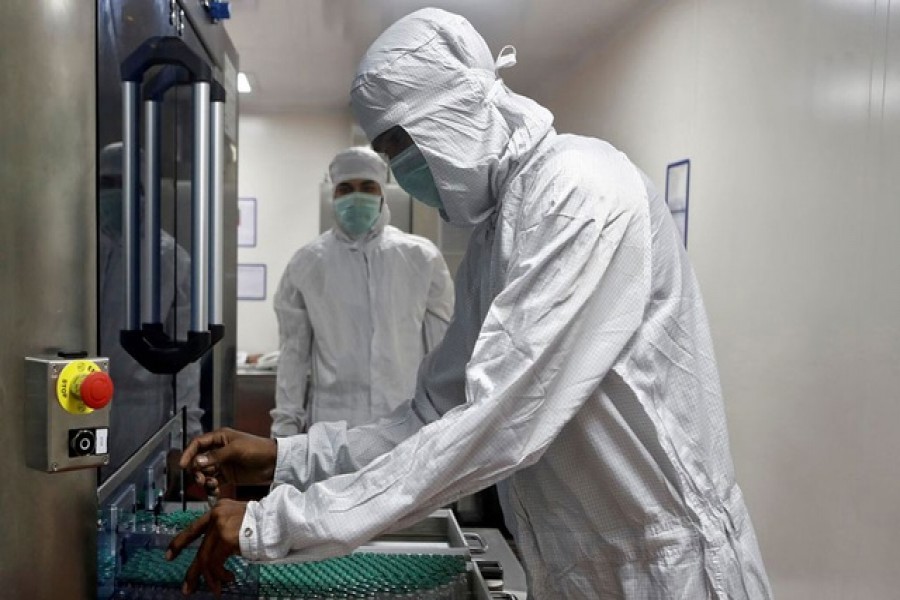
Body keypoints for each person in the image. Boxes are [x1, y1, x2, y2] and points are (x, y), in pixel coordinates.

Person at [168, 9, 772, 599]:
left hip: (668, 573)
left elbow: (497, 423)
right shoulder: (495, 235)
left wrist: (272, 522)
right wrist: (284, 458)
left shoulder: (579, 194)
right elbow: (432, 416)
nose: (399, 171)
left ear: (452, 110)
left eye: (398, 145)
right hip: (580, 570)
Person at [270, 146, 454, 437]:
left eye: (367, 187)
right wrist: (284, 432)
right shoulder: (307, 263)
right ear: (334, 195)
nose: (357, 196)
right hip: (333, 429)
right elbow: (293, 355)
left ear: (382, 193)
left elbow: (442, 348)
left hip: (406, 424)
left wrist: (446, 419)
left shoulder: (420, 257)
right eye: (346, 188)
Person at [97, 142, 203, 478]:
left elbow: (187, 360)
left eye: (128, 184)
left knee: (135, 510)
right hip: (81, 408)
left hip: (144, 418)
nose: (116, 193)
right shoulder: (79, 250)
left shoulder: (169, 258)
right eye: (107, 184)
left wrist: (184, 439)